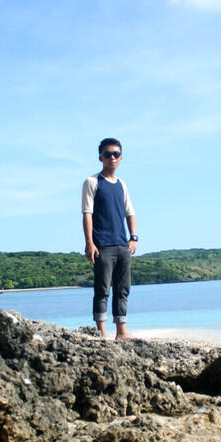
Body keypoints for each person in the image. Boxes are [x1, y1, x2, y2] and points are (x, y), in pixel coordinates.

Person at [81, 138, 138, 340]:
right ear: (100, 157)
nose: (112, 157)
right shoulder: (92, 182)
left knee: (123, 289)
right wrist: (90, 243)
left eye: (116, 154)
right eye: (108, 154)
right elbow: (87, 213)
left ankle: (121, 331)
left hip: (123, 245)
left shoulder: (122, 184)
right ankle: (101, 331)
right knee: (102, 289)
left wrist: (134, 238)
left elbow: (130, 212)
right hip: (102, 245)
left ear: (121, 158)